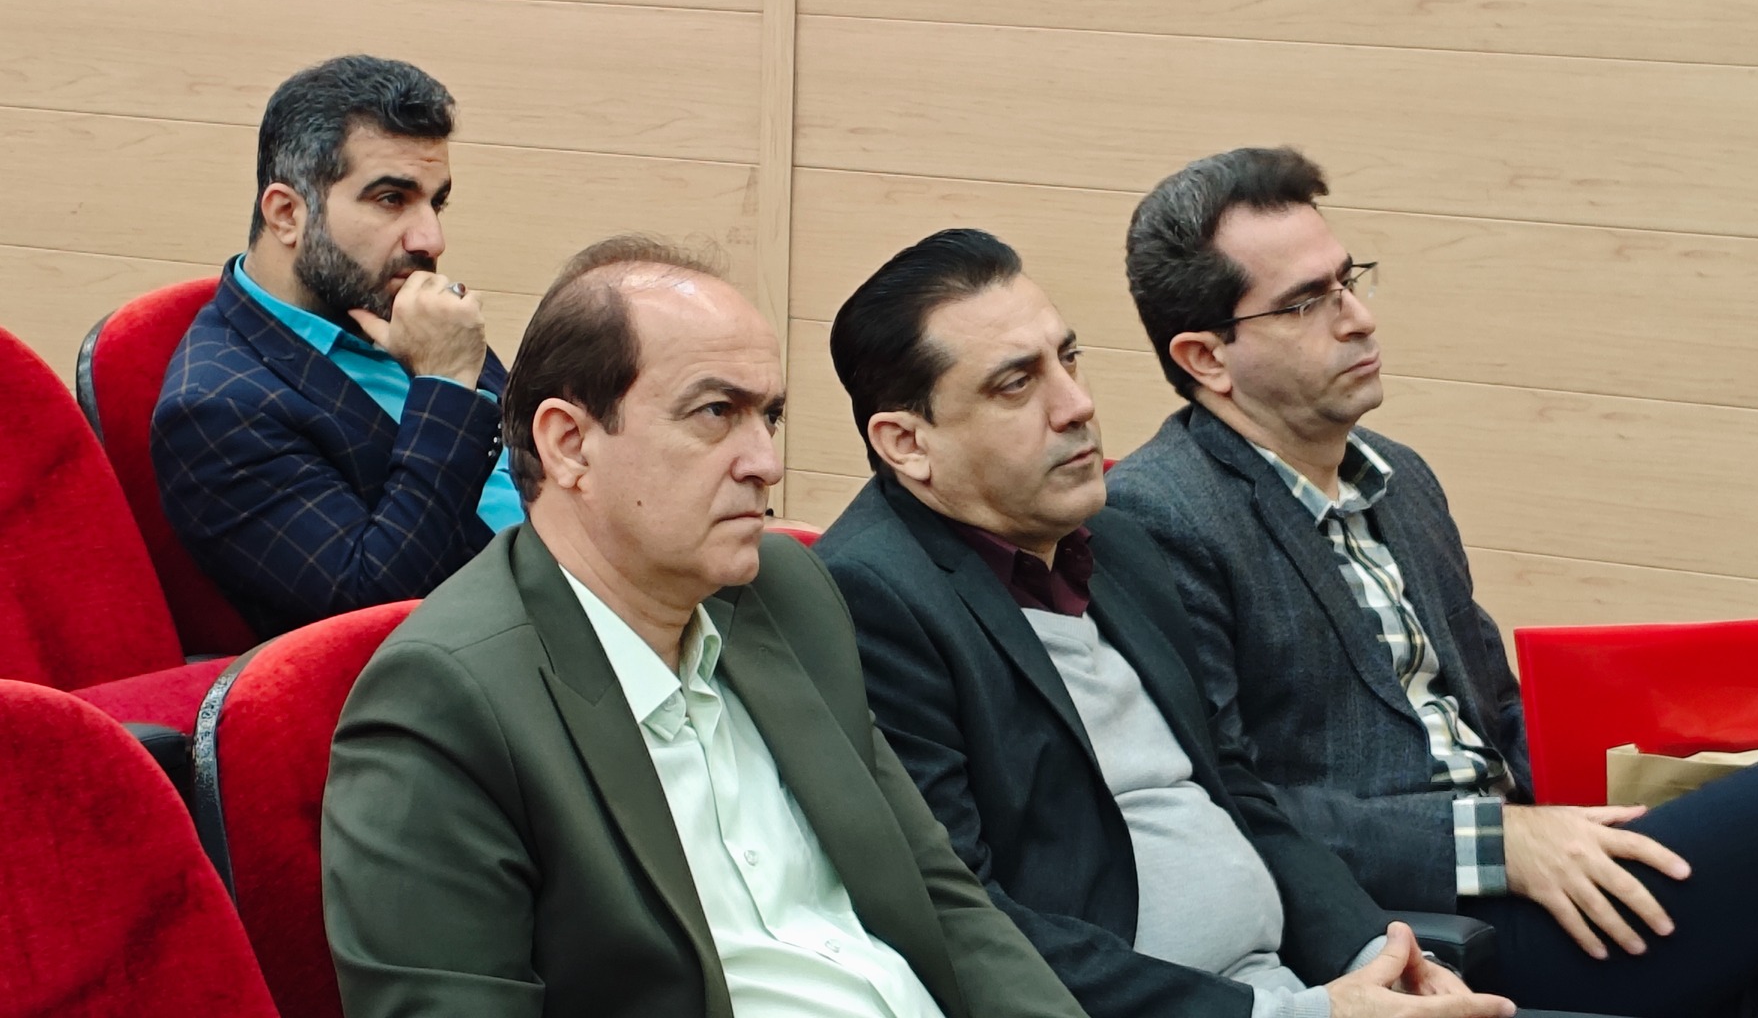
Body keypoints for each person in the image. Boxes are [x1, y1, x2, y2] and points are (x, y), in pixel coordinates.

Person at [1107, 146, 1758, 1018]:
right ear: (1206, 356)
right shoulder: (1158, 516)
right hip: (1433, 932)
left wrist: (1629, 791)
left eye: (1350, 281)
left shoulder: (1398, 476)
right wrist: (1493, 843)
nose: (1358, 320)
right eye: (1308, 303)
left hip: (1546, 872)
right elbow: (1229, 802)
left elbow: (1493, 710)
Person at [321, 235, 1090, 1018]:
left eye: (769, 417)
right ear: (570, 443)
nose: (766, 463)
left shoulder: (786, 592)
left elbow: (940, 897)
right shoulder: (443, 702)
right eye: (716, 413)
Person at [816, 229, 1521, 1018]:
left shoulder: (1115, 542)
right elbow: (969, 921)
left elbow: (1236, 790)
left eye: (1068, 359)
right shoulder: (873, 598)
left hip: (1293, 987)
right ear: (907, 443)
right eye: (1017, 384)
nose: (1076, 404)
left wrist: (1378, 956)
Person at [153, 55, 520, 636]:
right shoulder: (216, 409)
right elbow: (371, 605)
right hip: (488, 650)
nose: (431, 239)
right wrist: (445, 385)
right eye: (391, 199)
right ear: (287, 214)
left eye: (436, 202)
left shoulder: (392, 302)